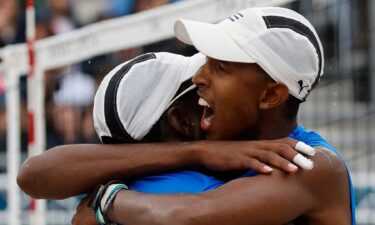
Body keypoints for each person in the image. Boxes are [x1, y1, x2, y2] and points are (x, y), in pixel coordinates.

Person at [72, 7, 356, 225]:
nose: (198, 77)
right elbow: (36, 174)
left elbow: (187, 216)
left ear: (270, 96)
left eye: (220, 68)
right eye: (205, 61)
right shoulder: (221, 152)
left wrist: (105, 202)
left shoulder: (314, 165)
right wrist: (197, 151)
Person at [17, 52, 309, 199]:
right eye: (198, 85)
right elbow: (33, 174)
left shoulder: (119, 189)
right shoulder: (197, 193)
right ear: (181, 120)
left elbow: (34, 175)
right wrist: (196, 151)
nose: (205, 82)